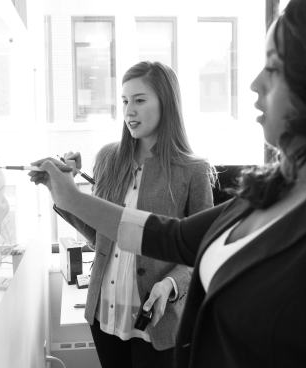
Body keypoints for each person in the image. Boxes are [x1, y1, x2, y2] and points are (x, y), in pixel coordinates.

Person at [31, 0, 306, 367]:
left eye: (275, 68)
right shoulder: (274, 188)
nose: (255, 84)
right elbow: (172, 236)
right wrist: (66, 194)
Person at [54, 61, 215, 368]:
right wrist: (64, 189)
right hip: (105, 313)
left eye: (140, 100)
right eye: (125, 101)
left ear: (166, 103)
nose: (129, 111)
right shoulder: (108, 158)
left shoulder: (193, 171)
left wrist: (169, 286)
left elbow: (200, 254)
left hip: (157, 320)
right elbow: (99, 238)